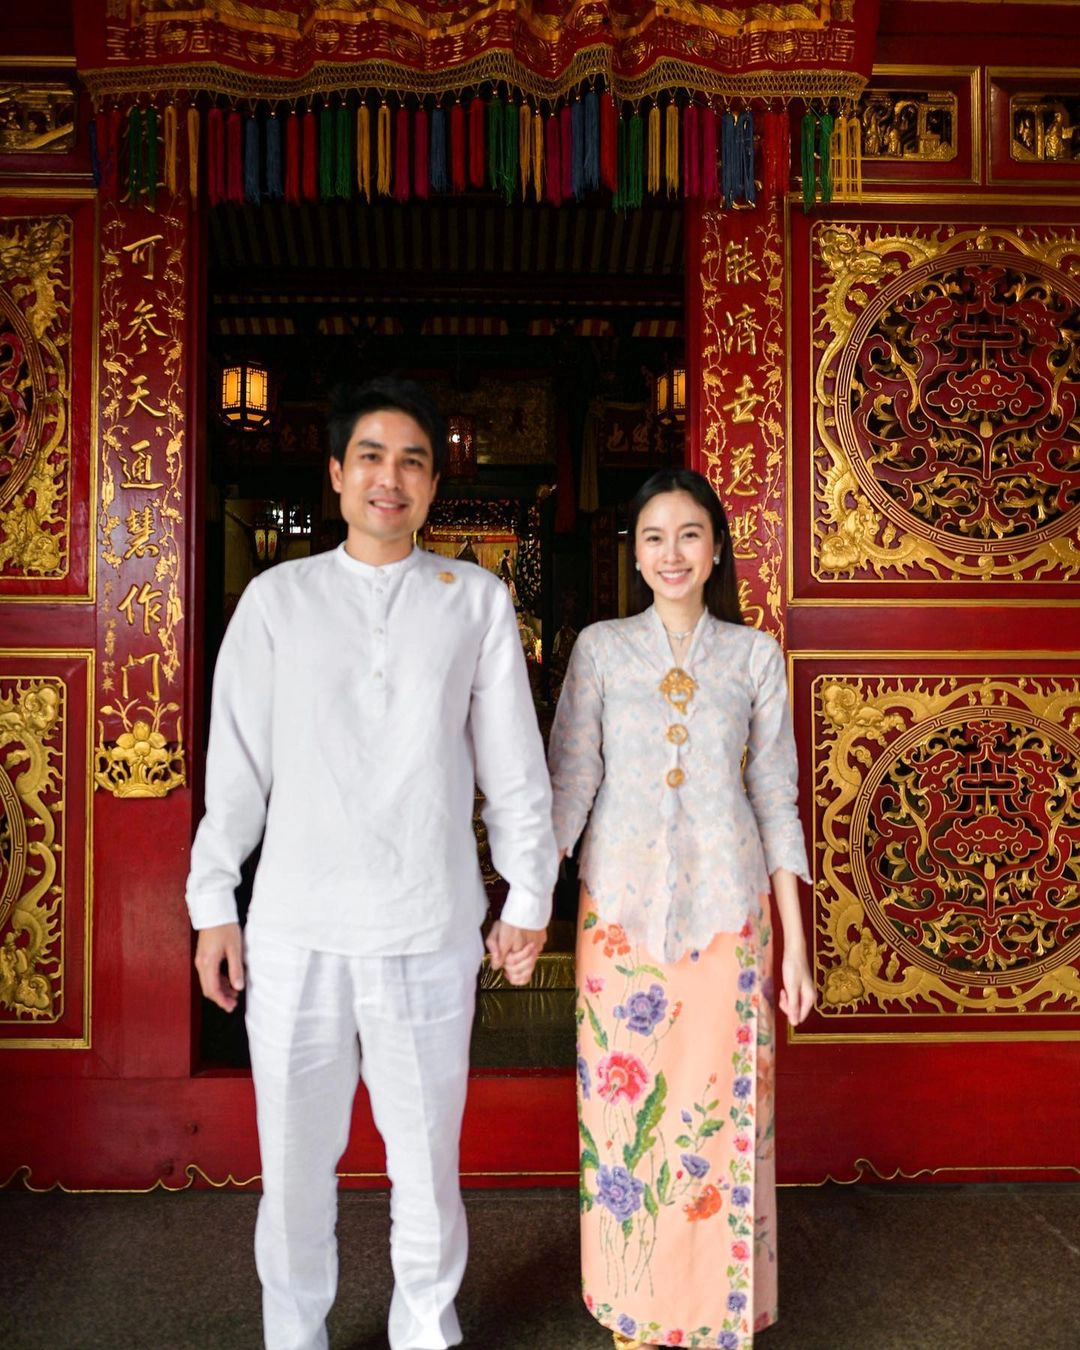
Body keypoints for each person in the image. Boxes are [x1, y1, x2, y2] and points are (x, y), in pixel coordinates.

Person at [186, 376, 557, 1350]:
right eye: (371, 458)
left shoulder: (475, 601)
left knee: (426, 1163)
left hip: (427, 925)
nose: (390, 478)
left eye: (411, 462)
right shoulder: (279, 600)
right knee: (293, 1166)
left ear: (433, 484)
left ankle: (426, 1329)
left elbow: (513, 762)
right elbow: (238, 763)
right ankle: (293, 1334)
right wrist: (214, 900)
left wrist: (528, 890)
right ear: (336, 475)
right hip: (296, 926)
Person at [548, 468, 814, 1350]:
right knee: (628, 1122)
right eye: (654, 537)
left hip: (729, 916)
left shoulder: (753, 656)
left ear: (717, 548)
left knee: (718, 1116)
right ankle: (636, 1304)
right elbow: (571, 784)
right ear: (634, 553)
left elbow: (776, 798)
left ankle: (713, 1316)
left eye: (689, 534)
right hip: (619, 918)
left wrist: (796, 949)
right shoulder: (600, 650)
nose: (672, 553)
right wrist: (527, 905)